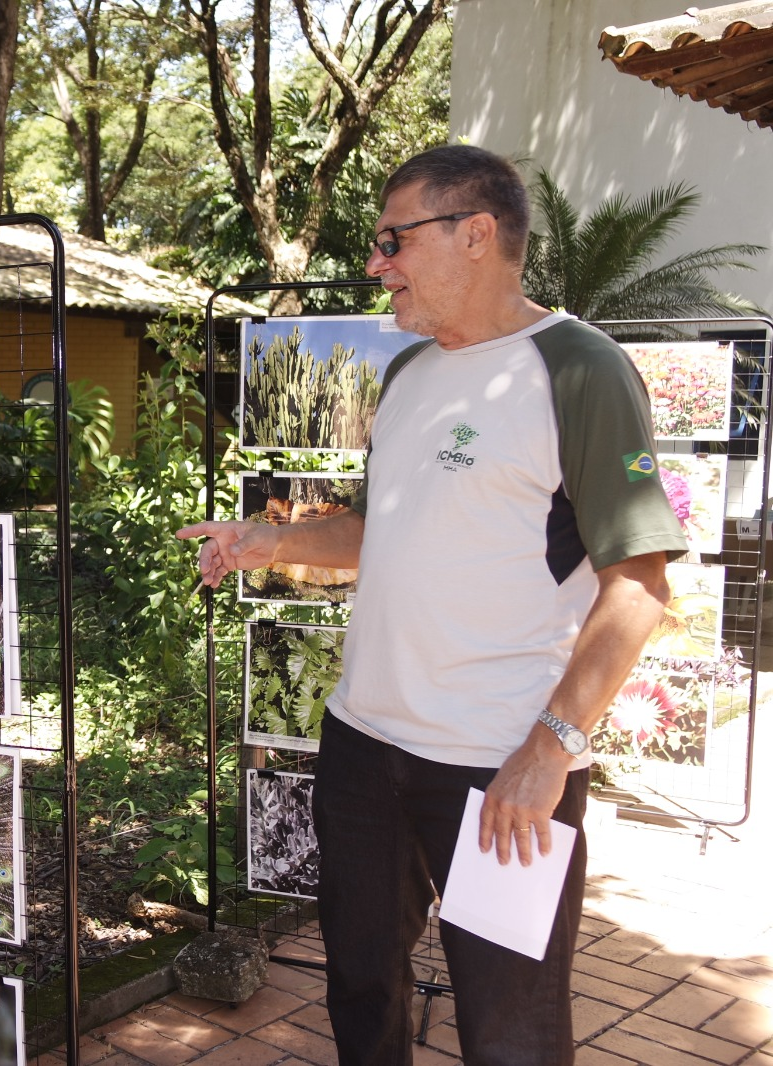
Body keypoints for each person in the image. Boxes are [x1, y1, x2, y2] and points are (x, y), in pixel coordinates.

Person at [178, 145, 686, 1066]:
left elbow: (639, 583)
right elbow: (382, 526)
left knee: (511, 1025)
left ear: (476, 233)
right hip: (362, 748)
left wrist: (549, 752)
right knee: (360, 986)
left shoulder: (578, 369)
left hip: (501, 766)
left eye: (394, 240)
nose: (378, 263)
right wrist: (270, 539)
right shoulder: (409, 373)